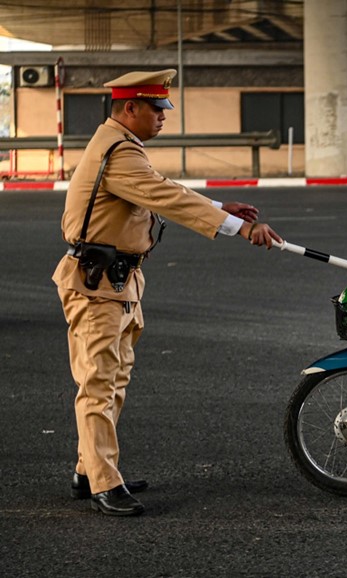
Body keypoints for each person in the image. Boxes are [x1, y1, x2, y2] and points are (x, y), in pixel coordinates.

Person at [52, 69, 283, 517]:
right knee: (98, 383)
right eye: (157, 110)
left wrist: (219, 206)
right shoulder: (118, 151)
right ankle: (103, 482)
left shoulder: (122, 145)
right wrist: (240, 227)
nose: (163, 118)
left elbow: (160, 190)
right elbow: (166, 198)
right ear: (131, 108)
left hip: (118, 282)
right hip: (97, 285)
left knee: (114, 380)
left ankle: (90, 469)